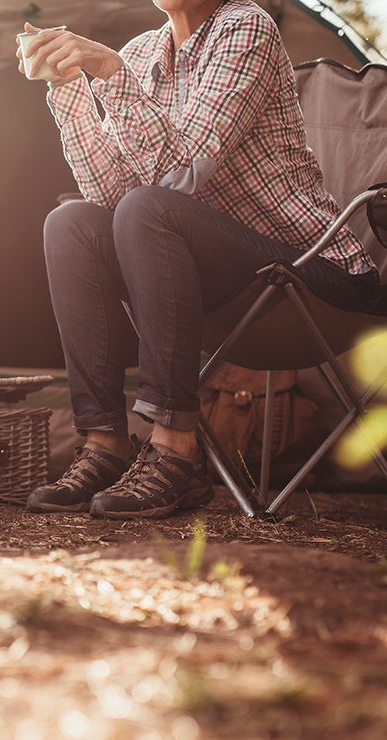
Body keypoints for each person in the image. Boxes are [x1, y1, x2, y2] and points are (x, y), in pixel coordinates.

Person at [19, 0, 379, 518]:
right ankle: (105, 445)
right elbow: (111, 193)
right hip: (221, 283)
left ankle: (175, 449)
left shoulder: (244, 27)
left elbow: (179, 175)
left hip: (309, 277)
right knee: (72, 223)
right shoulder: (142, 53)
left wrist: (111, 74)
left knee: (149, 208)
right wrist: (70, 86)